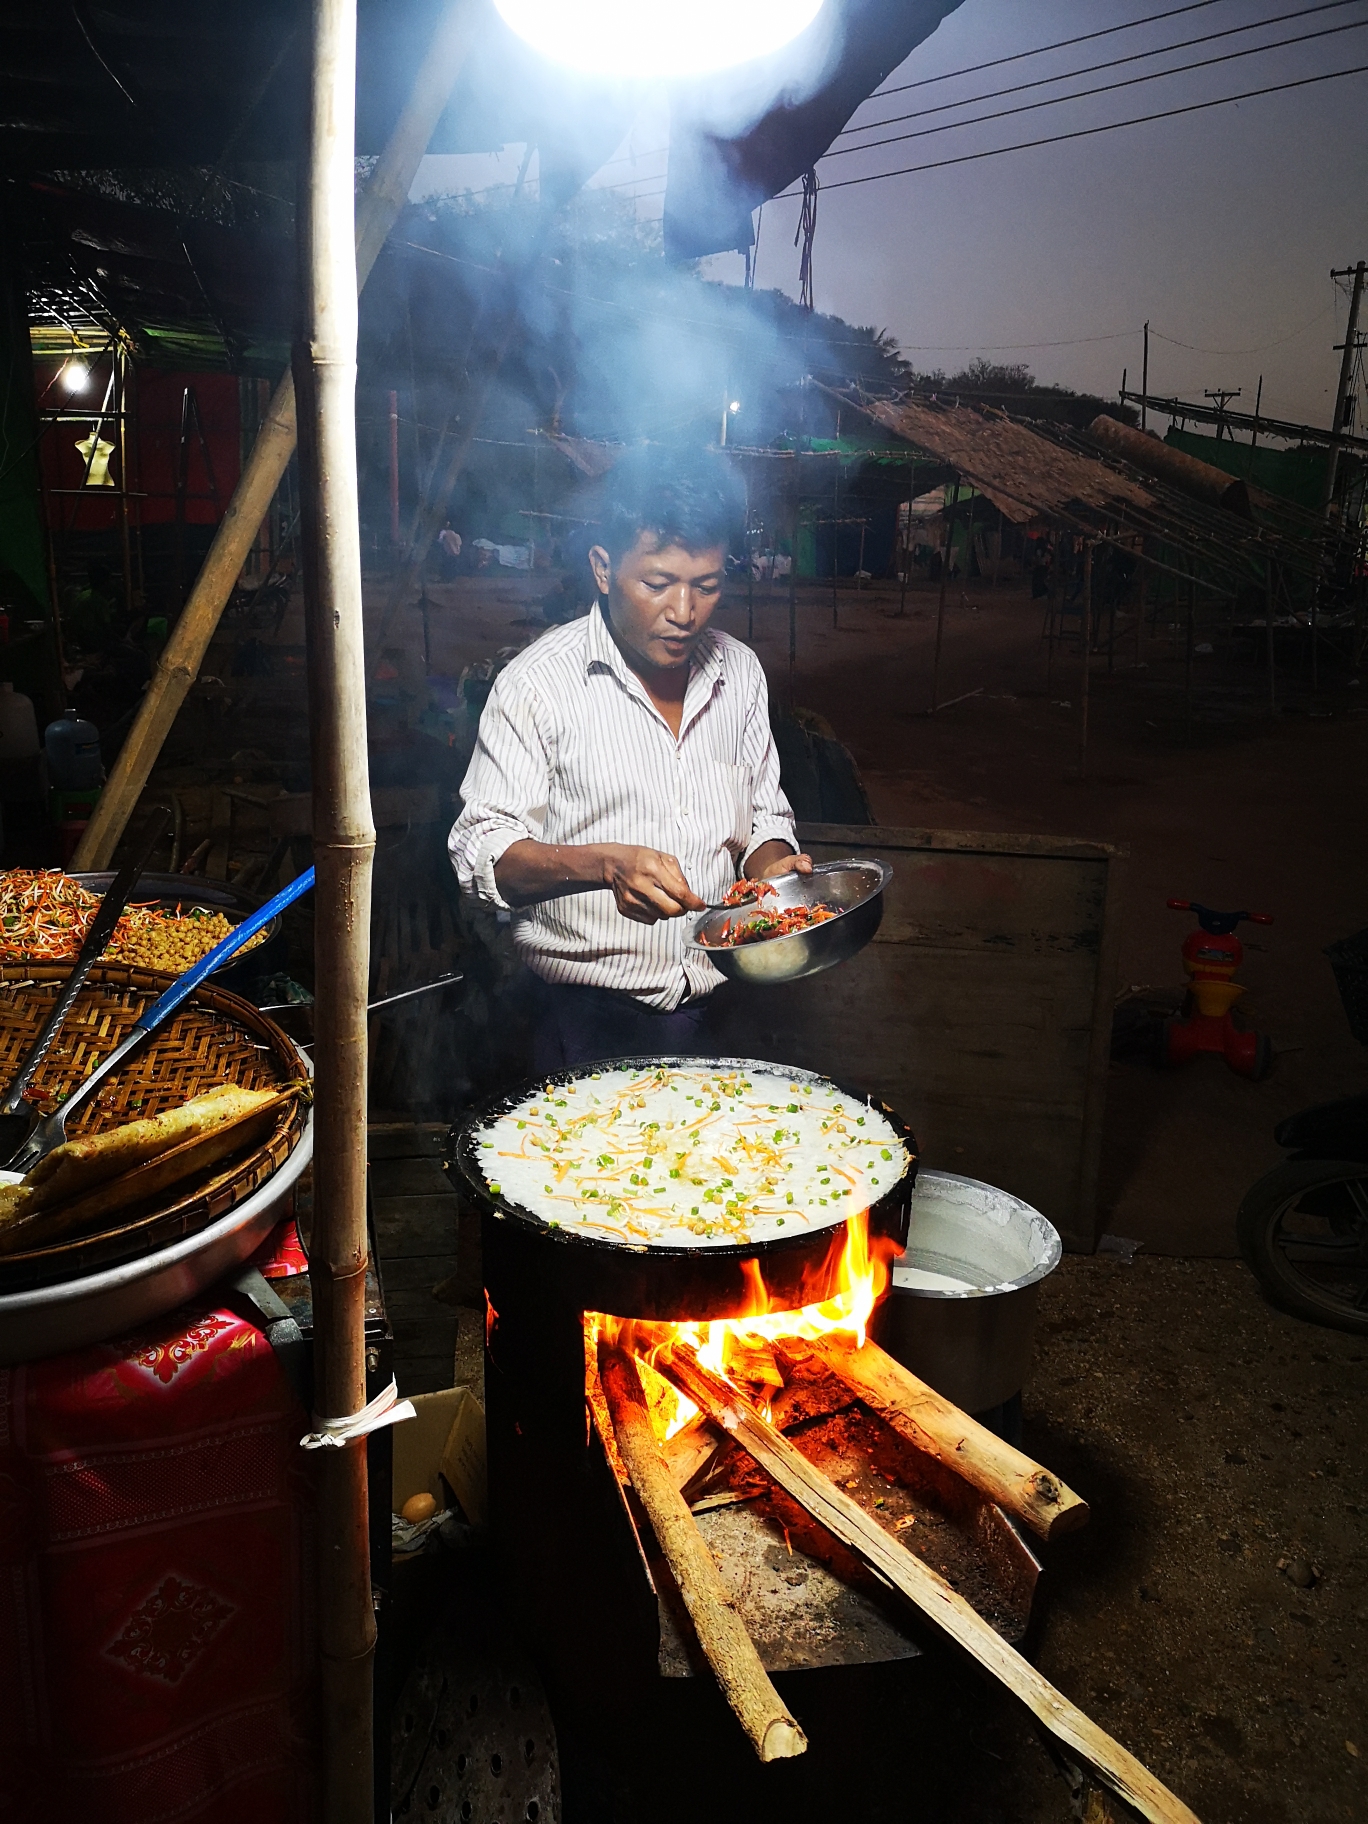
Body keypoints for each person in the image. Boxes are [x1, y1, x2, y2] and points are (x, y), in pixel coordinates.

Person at [449, 446, 810, 1073]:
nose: (684, 612)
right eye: (657, 583)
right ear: (601, 568)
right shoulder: (537, 685)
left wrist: (777, 878)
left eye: (707, 586)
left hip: (718, 1012)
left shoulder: (740, 674)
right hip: (578, 1021)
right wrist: (604, 865)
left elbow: (763, 821)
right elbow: (482, 854)